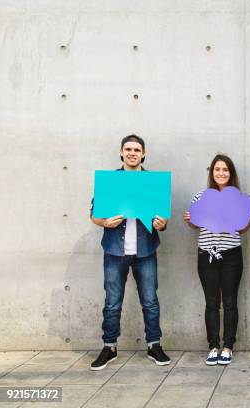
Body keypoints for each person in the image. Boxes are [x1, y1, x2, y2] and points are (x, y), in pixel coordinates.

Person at [90, 134, 171, 370]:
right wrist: (104, 223)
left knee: (150, 301)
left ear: (143, 153)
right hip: (115, 250)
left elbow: (163, 218)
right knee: (112, 302)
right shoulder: (110, 181)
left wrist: (161, 224)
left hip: (145, 250)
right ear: (121, 152)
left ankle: (154, 345)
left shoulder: (153, 182)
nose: (132, 153)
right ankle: (109, 347)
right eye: (128, 149)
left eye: (137, 149)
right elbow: (94, 214)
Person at [183, 154, 250, 365]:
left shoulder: (240, 199)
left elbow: (242, 230)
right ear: (212, 172)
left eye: (225, 170)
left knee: (230, 302)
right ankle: (213, 347)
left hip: (231, 254)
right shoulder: (201, 196)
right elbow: (194, 224)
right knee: (211, 302)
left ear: (231, 173)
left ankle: (228, 346)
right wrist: (190, 220)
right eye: (217, 169)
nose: (221, 173)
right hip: (206, 254)